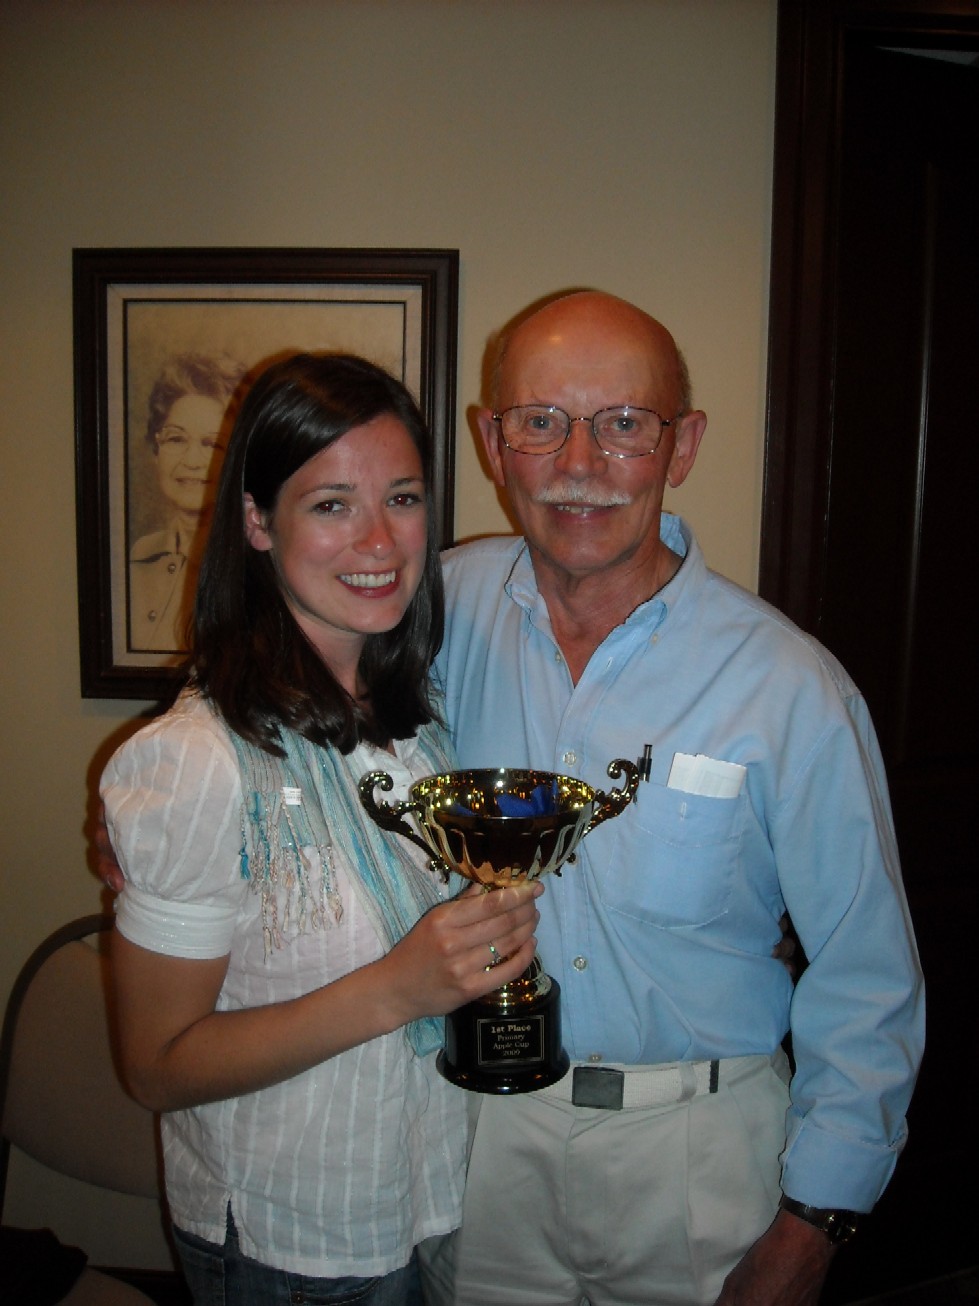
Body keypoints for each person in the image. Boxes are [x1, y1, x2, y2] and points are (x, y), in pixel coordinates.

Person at [428, 291, 924, 1306]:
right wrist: (176, 817)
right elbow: (279, 667)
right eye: (540, 421)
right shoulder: (433, 613)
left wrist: (812, 1228)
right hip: (478, 1144)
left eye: (622, 424)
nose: (577, 463)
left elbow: (867, 978)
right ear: (492, 440)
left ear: (681, 445)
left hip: (699, 1162)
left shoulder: (788, 686)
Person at [101, 353, 542, 1305]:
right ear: (258, 522)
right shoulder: (196, 759)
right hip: (292, 1239)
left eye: (404, 497)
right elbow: (154, 1066)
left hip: (429, 1200)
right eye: (332, 504)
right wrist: (397, 988)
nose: (380, 539)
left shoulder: (422, 727)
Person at [129, 351, 246, 652]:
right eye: (176, 439)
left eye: (211, 444)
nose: (192, 461)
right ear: (155, 450)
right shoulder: (138, 559)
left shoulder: (255, 572)